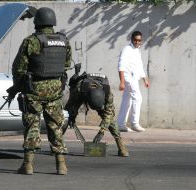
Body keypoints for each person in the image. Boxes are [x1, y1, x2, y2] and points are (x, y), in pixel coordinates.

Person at [8, 7, 71, 175]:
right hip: (55, 91)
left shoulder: (31, 41)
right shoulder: (64, 41)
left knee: (32, 126)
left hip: (33, 90)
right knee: (55, 125)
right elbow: (66, 65)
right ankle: (61, 165)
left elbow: (18, 68)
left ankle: (28, 165)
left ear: (37, 22)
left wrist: (16, 87)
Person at [64, 67, 129, 157]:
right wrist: (72, 116)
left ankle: (122, 148)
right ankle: (57, 145)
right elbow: (72, 103)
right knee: (66, 116)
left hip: (97, 96)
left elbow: (108, 115)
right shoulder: (79, 89)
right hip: (82, 93)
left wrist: (101, 132)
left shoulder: (108, 94)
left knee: (110, 121)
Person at [117, 31, 150, 132]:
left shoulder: (137, 51)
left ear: (141, 41)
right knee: (138, 98)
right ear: (132, 40)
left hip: (134, 79)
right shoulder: (127, 49)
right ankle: (135, 123)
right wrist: (122, 82)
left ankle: (120, 124)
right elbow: (121, 65)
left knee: (127, 100)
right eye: (135, 40)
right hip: (128, 78)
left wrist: (145, 78)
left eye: (139, 40)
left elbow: (139, 66)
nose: (137, 42)